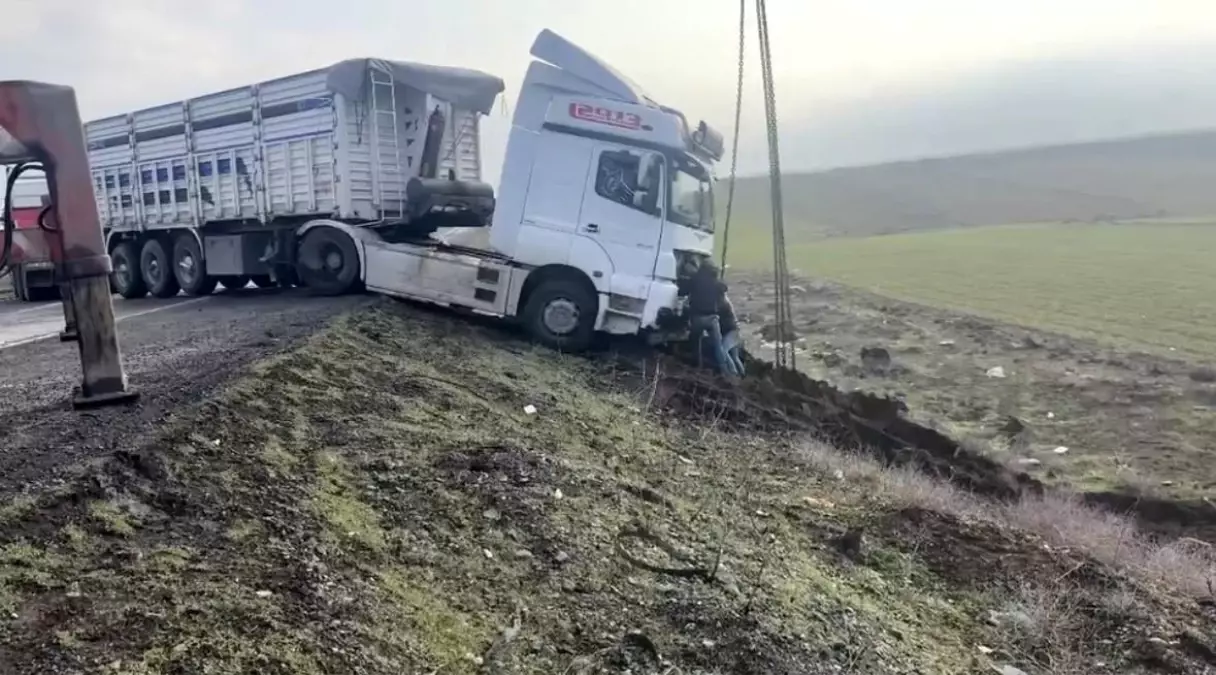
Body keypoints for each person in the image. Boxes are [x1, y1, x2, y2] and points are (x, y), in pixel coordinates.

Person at [680, 260, 740, 377]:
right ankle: (729, 373)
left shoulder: (695, 280)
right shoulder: (715, 282)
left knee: (695, 341)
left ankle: (698, 367)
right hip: (713, 319)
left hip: (698, 318)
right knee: (719, 348)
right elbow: (724, 287)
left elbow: (682, 291)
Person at [718, 290, 746, 376]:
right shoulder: (725, 301)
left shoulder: (722, 303)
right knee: (734, 356)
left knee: (723, 350)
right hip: (734, 331)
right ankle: (743, 375)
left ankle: (733, 372)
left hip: (731, 332)